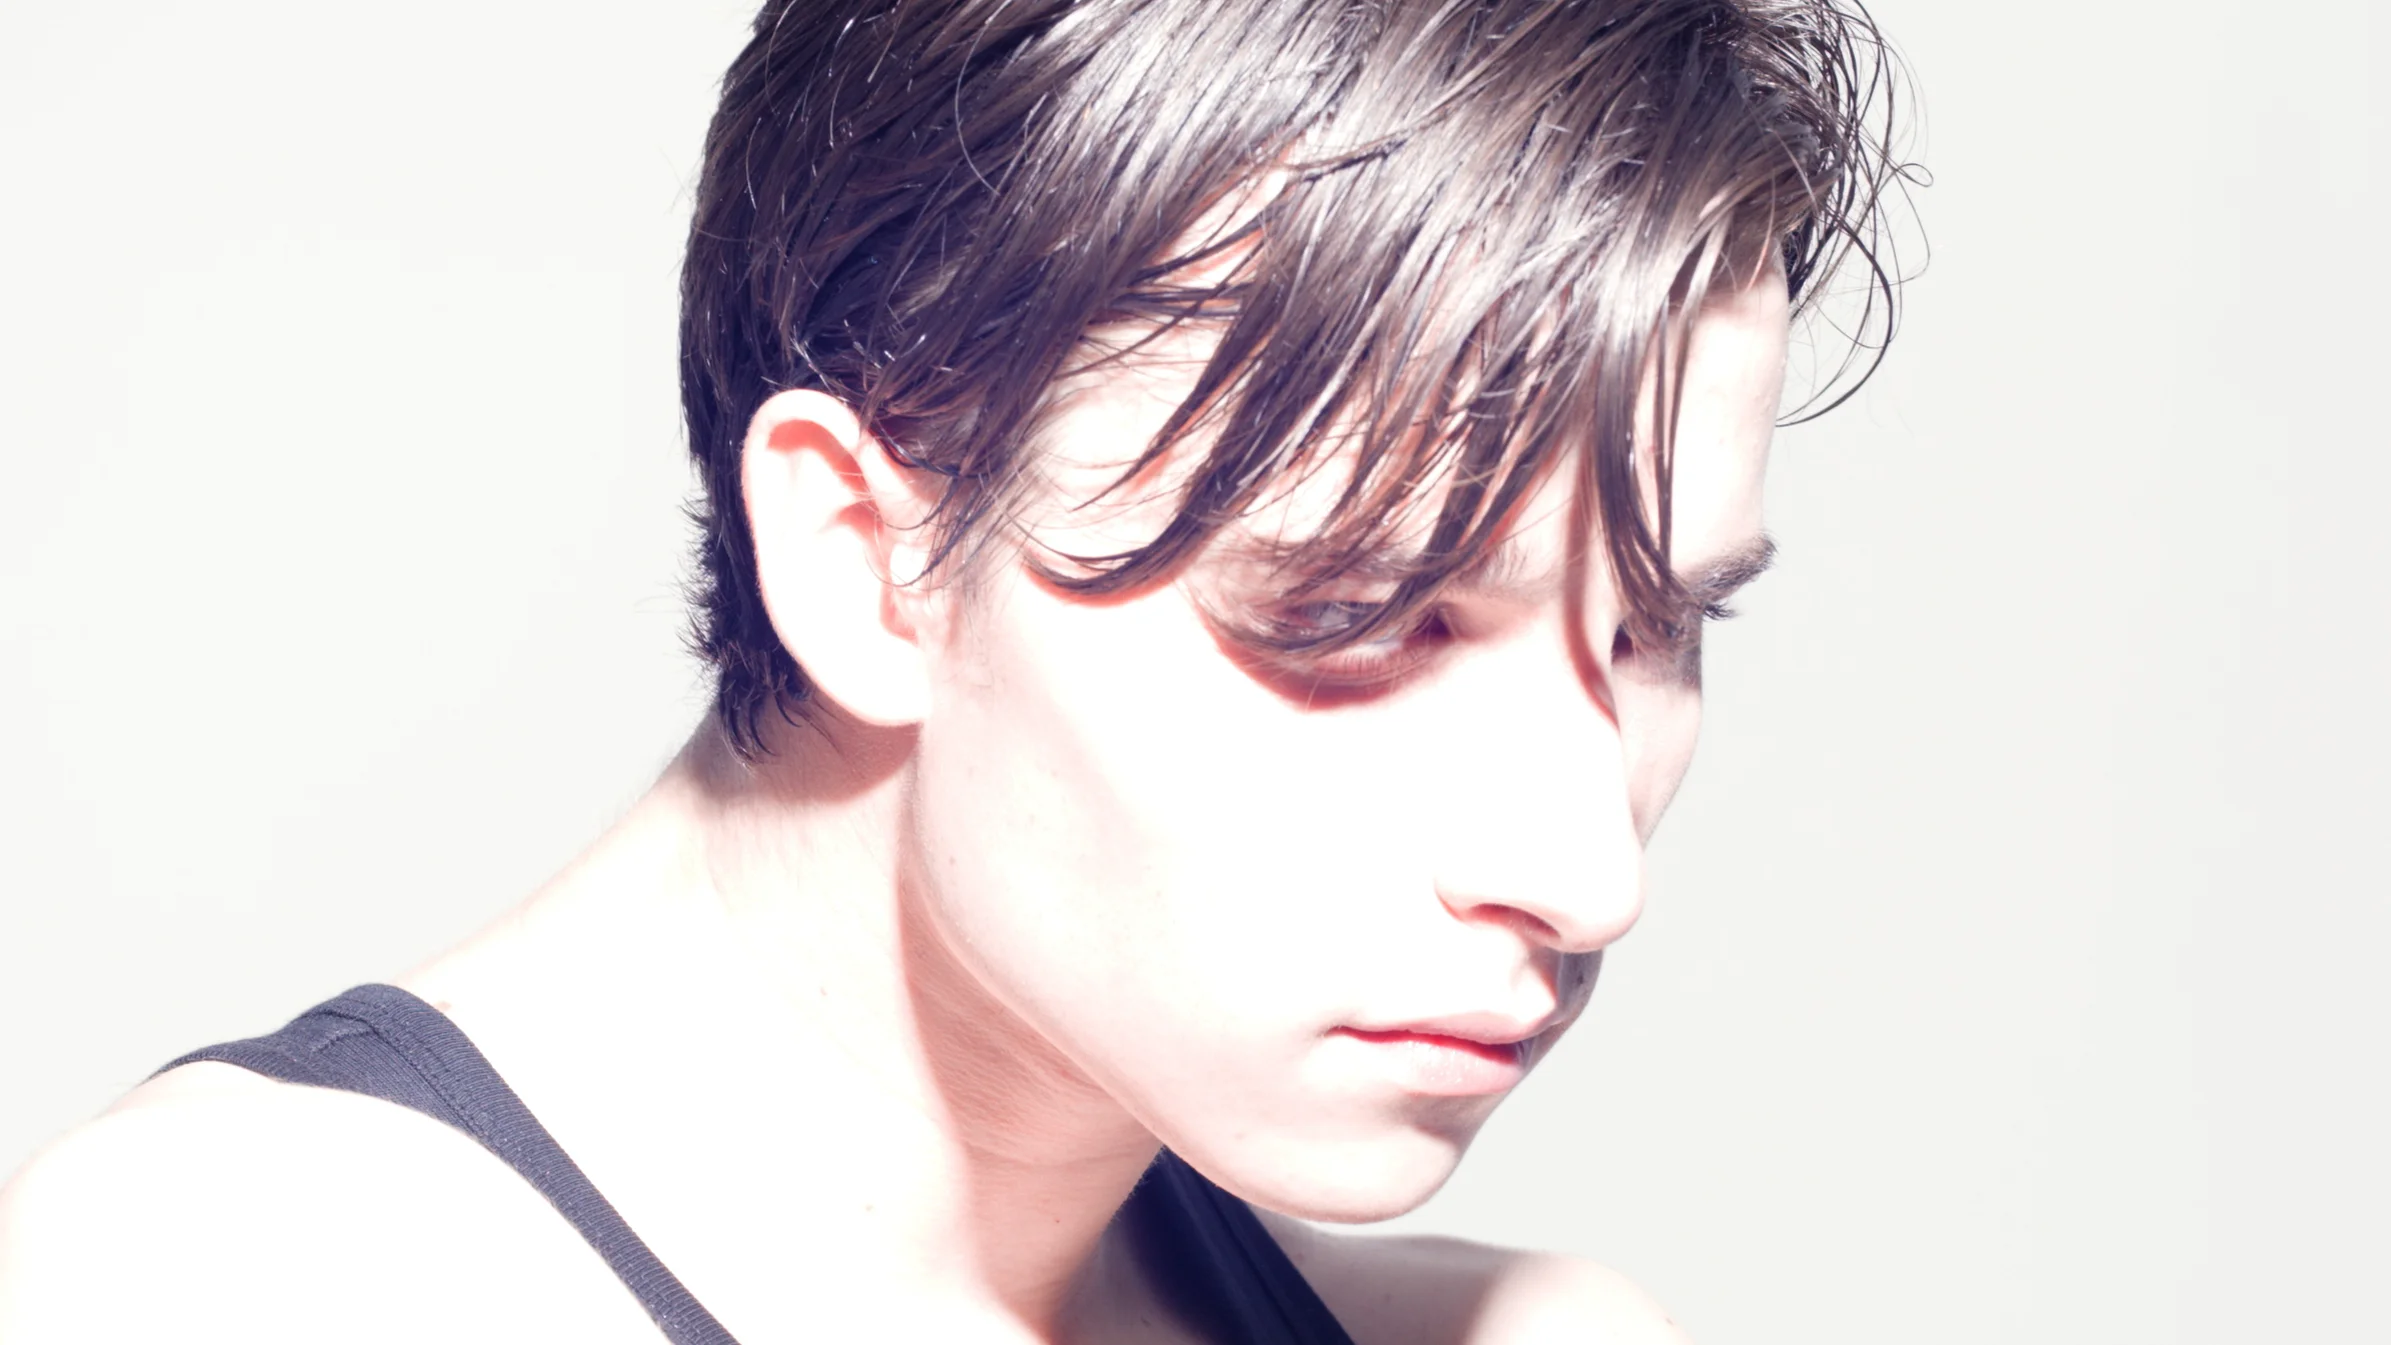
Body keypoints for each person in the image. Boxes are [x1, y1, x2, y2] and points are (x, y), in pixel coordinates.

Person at [0, 0, 1904, 1340]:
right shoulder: (212, 1293)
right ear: (866, 559)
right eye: (1363, 614)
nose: (1587, 871)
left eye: (1655, 631)